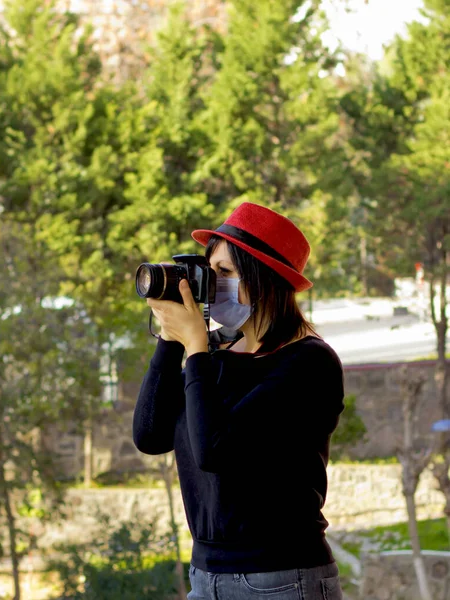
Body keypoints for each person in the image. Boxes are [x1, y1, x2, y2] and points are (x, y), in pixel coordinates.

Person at [133, 201, 345, 599]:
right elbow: (150, 434)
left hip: (281, 577)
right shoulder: (216, 355)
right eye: (209, 272)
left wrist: (195, 345)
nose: (212, 285)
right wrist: (169, 338)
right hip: (206, 575)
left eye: (225, 273)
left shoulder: (309, 362)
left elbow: (216, 450)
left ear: (264, 278)